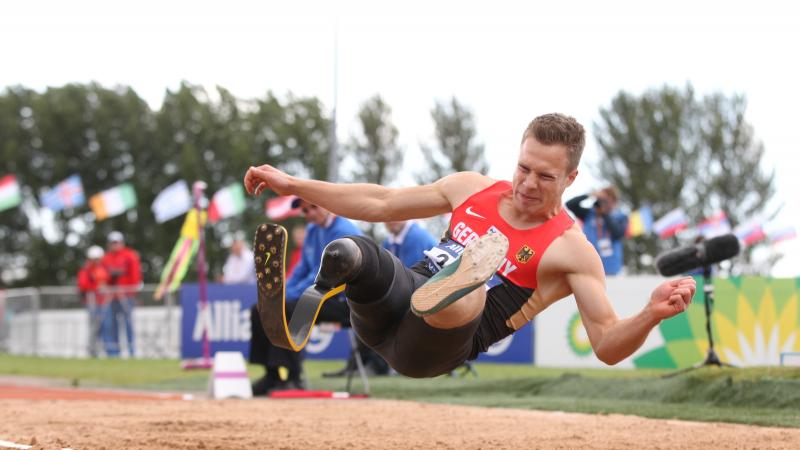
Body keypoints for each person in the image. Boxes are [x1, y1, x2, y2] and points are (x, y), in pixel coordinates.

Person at [244, 112, 696, 378]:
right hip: (392, 308)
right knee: (348, 250)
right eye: (524, 168)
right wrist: (293, 184)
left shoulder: (571, 249)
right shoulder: (471, 188)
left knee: (470, 293)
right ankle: (312, 299)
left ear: (571, 179)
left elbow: (606, 345)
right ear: (516, 156)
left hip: (438, 345)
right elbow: (381, 201)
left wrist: (651, 313)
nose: (528, 184)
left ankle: (460, 282)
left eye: (545, 176)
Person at [249, 199, 363, 394]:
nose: (309, 213)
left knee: (290, 307)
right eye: (304, 210)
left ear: (328, 206)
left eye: (313, 207)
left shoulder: (343, 232)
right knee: (260, 308)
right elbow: (302, 269)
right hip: (322, 294)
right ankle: (272, 374)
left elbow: (322, 276)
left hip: (347, 301)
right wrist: (278, 292)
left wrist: (285, 295)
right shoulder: (312, 229)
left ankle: (295, 376)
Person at [566, 186, 629, 275]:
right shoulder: (590, 214)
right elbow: (570, 204)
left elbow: (618, 234)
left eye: (605, 200)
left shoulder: (621, 217)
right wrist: (590, 195)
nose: (602, 202)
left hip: (611, 267)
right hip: (588, 264)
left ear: (613, 201)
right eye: (601, 199)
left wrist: (605, 214)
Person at [102, 231, 142, 358]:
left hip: (126, 296)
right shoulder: (106, 258)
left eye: (117, 242)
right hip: (111, 297)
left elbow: (135, 275)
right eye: (112, 243)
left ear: (122, 243)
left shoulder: (129, 255)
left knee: (128, 324)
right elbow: (103, 276)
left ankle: (131, 352)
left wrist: (131, 292)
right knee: (111, 325)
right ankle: (114, 353)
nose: (115, 245)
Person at [77, 245, 111, 357]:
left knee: (106, 327)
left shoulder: (104, 268)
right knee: (94, 328)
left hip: (104, 303)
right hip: (93, 304)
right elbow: (83, 285)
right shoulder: (86, 270)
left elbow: (108, 282)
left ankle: (109, 352)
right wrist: (96, 287)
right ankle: (93, 352)